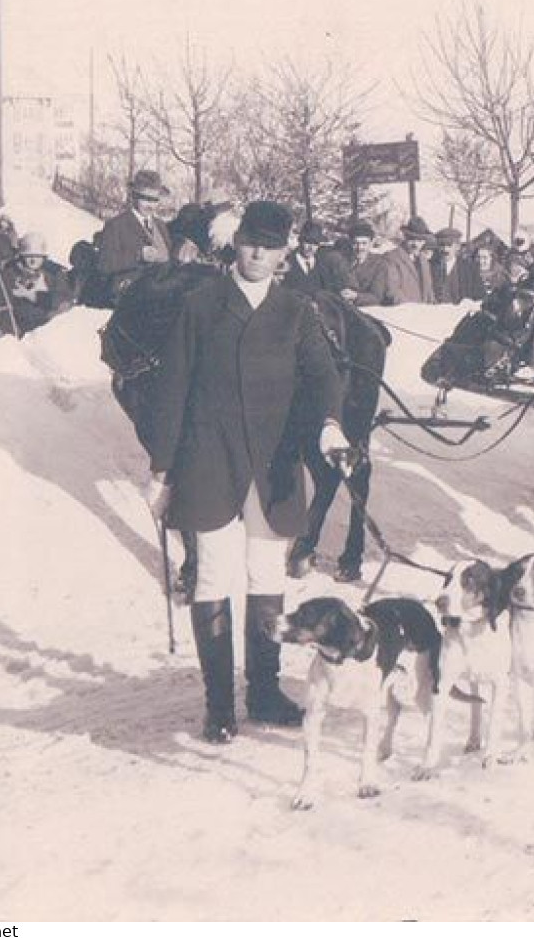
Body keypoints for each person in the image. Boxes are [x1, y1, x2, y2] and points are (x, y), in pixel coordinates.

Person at [144, 201, 351, 744]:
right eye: (250, 241)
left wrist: (330, 426)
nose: (258, 253)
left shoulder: (295, 311)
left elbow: (326, 378)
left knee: (266, 575)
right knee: (212, 575)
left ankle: (262, 692)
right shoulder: (202, 304)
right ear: (236, 243)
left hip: (273, 464)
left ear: (284, 253)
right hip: (209, 458)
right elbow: (171, 392)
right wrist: (161, 470)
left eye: (270, 245)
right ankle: (219, 707)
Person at [93, 169, 174, 296]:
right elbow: (104, 264)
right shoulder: (116, 225)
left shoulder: (160, 225)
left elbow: (168, 260)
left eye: (154, 200)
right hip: (128, 294)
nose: (151, 206)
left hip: (161, 288)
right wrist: (138, 255)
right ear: (134, 197)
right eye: (146, 199)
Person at [4, 232, 75, 334]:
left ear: (44, 257)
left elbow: (66, 300)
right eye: (29, 256)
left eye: (37, 256)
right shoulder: (12, 270)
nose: (33, 260)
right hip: (16, 326)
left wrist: (35, 296)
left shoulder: (55, 273)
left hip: (46, 329)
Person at [339, 221, 402, 307]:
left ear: (371, 243)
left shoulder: (379, 264)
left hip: (370, 312)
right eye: (355, 243)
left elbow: (377, 297)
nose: (359, 247)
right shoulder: (343, 262)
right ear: (350, 243)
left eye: (364, 243)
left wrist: (356, 296)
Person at [280, 221, 346, 296]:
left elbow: (329, 291)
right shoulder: (286, 263)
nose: (311, 248)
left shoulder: (323, 265)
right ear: (300, 240)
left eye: (315, 244)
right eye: (308, 242)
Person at [395, 217, 434, 304]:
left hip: (422, 313)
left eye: (420, 240)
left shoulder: (424, 261)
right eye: (412, 239)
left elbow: (429, 292)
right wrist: (412, 309)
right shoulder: (392, 258)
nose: (416, 244)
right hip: (402, 312)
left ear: (424, 242)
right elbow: (392, 291)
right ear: (405, 237)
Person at [431, 228, 463, 302]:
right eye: (442, 245)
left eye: (449, 245)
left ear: (458, 247)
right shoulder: (430, 267)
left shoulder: (468, 269)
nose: (445, 249)